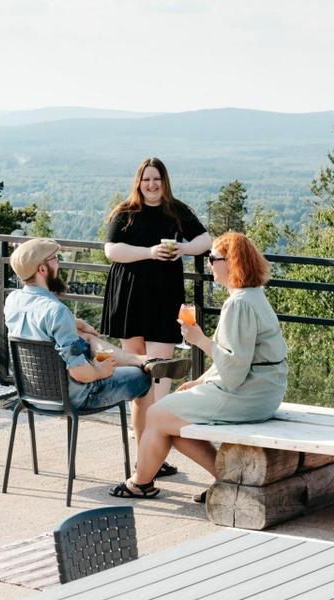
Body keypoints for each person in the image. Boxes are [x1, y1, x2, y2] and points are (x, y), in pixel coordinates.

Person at [109, 232, 288, 499]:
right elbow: (240, 358)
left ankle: (140, 483)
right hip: (264, 390)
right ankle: (228, 480)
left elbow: (235, 371)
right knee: (175, 423)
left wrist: (200, 340)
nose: (209, 264)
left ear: (231, 262)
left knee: (157, 414)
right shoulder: (253, 296)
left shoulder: (238, 305)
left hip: (248, 394)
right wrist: (201, 381)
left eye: (213, 258)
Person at [4, 238, 190, 447]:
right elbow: (80, 373)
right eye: (55, 259)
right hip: (73, 395)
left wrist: (76, 323)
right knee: (143, 380)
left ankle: (143, 359)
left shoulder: (13, 301)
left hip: (31, 393)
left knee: (87, 339)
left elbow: (40, 323)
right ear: (42, 269)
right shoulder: (56, 311)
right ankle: (146, 455)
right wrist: (101, 371)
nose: (59, 263)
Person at [101, 157, 211, 476]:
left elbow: (205, 240)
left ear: (165, 182)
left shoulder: (177, 210)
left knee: (159, 380)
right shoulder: (126, 212)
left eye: (157, 180)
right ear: (139, 182)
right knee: (140, 383)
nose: (151, 185)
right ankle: (145, 458)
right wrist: (149, 252)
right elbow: (111, 250)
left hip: (164, 298)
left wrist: (183, 250)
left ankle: (152, 457)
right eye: (146, 179)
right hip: (130, 296)